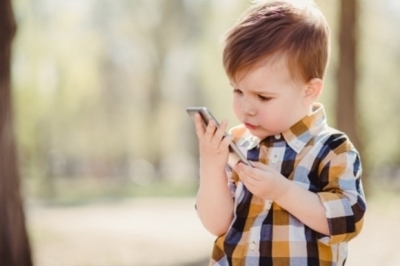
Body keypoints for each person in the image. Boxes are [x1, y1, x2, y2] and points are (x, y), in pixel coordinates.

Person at [192, 0, 366, 265]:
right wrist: (211, 168)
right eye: (238, 90)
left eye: (263, 97)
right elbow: (216, 224)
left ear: (309, 91)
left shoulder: (332, 149)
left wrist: (284, 192)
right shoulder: (238, 143)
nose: (246, 108)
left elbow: (348, 221)